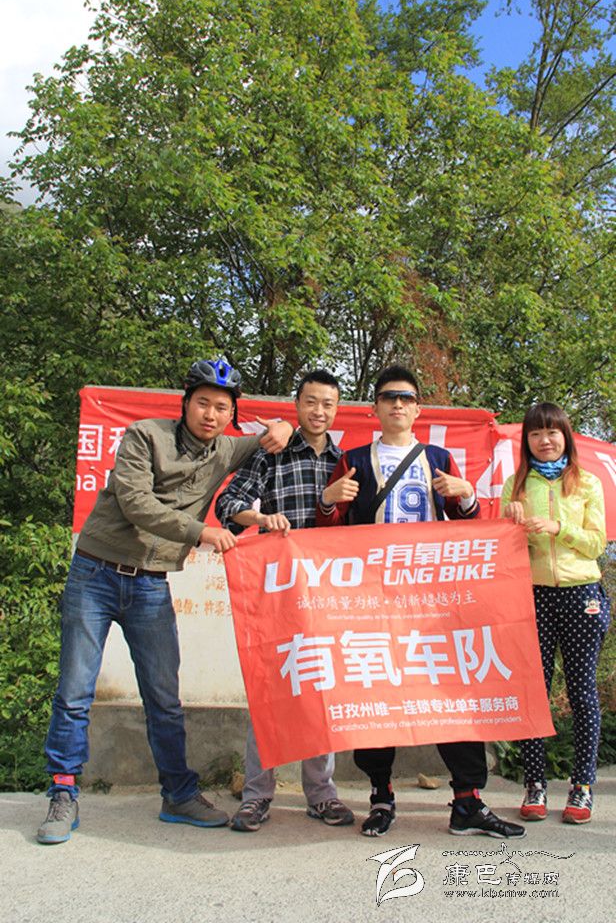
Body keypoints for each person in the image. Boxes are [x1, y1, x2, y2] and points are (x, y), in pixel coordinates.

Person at [37, 358, 294, 844]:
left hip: (150, 584)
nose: (211, 414)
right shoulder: (144, 436)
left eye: (222, 407)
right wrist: (202, 532)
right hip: (95, 574)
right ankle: (63, 793)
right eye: (203, 403)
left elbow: (276, 432)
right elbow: (136, 503)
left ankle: (178, 794)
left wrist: (284, 425)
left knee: (164, 698)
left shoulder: (227, 447)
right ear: (186, 403)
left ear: (232, 414)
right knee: (75, 692)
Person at [316, 365, 525, 840]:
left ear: (417, 409)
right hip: (372, 599)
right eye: (389, 397)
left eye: (406, 398)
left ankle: (468, 800)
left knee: (452, 693)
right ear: (374, 408)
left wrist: (466, 496)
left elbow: (467, 526)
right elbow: (328, 535)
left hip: (431, 600)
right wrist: (328, 501)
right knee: (376, 695)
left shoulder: (438, 457)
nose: (397, 404)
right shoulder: (354, 459)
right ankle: (381, 796)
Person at [216, 370, 354, 832]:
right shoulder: (273, 452)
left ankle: (321, 794)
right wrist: (262, 519)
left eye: (328, 404)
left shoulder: (345, 462)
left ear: (337, 409)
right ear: (296, 405)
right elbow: (228, 504)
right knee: (270, 692)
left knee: (321, 691)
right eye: (311, 402)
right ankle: (257, 796)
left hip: (328, 595)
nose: (319, 411)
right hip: (277, 590)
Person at [501, 402, 609, 825]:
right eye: (535, 433)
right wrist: (512, 526)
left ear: (566, 436)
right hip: (534, 596)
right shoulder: (515, 484)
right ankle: (535, 783)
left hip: (583, 595)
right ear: (526, 441)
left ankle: (582, 787)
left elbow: (597, 542)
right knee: (534, 693)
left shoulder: (587, 482)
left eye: (552, 432)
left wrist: (557, 528)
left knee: (582, 693)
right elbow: (505, 549)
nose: (545, 440)